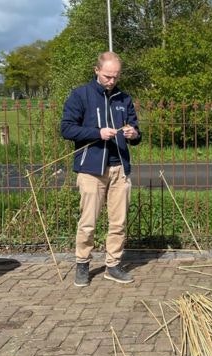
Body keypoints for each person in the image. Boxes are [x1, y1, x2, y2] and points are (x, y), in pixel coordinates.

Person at [61, 51, 142, 287]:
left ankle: (113, 265)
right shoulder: (80, 95)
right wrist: (97, 133)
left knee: (118, 222)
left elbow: (136, 132)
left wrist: (133, 133)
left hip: (119, 169)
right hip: (91, 170)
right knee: (88, 222)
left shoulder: (123, 98)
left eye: (116, 77)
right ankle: (82, 264)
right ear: (97, 70)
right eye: (107, 76)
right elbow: (66, 129)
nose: (111, 81)